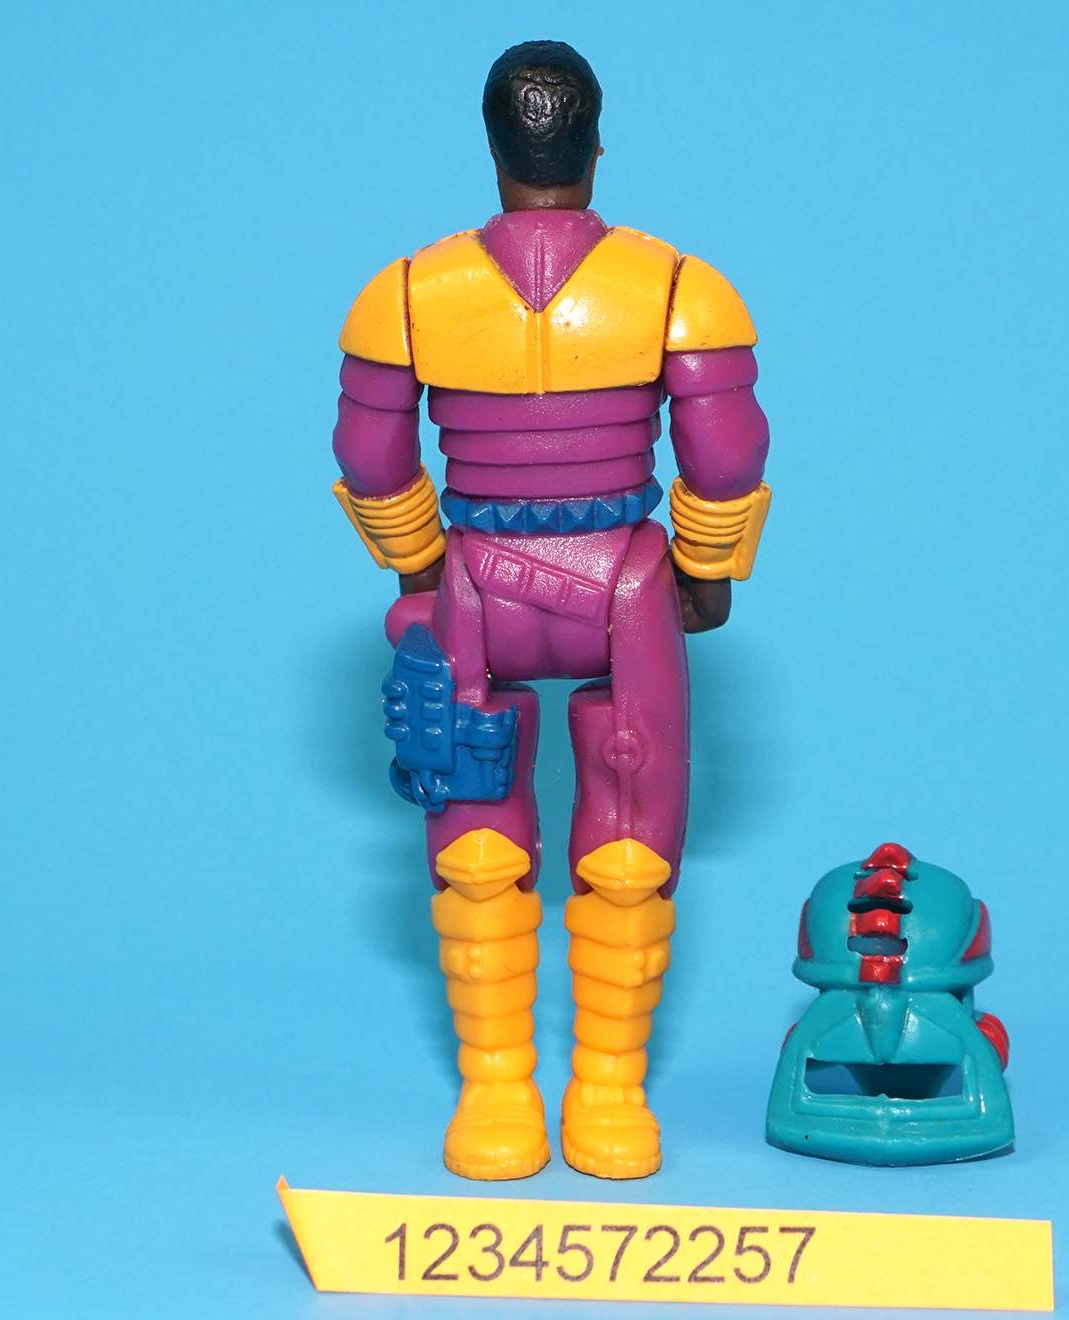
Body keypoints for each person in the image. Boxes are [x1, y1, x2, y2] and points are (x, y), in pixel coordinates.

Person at [330, 40, 771, 1180]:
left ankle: (497, 1102)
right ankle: (609, 1104)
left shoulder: (405, 295)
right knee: (631, 848)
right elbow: (724, 454)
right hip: (623, 582)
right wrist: (704, 572)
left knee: (476, 847)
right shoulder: (677, 288)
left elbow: (370, 457)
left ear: (493, 151)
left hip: (479, 581)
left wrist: (420, 569)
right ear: (597, 146)